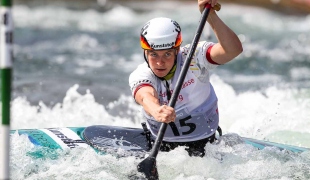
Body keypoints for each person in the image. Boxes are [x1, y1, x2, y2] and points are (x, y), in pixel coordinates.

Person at [129, 0, 243, 157]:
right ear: (145, 53)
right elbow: (144, 95)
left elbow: (233, 50)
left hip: (206, 145)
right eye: (153, 54)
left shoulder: (194, 58)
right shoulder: (141, 74)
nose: (159, 62)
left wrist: (211, 15)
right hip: (162, 149)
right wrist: (157, 110)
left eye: (167, 54)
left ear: (177, 50)